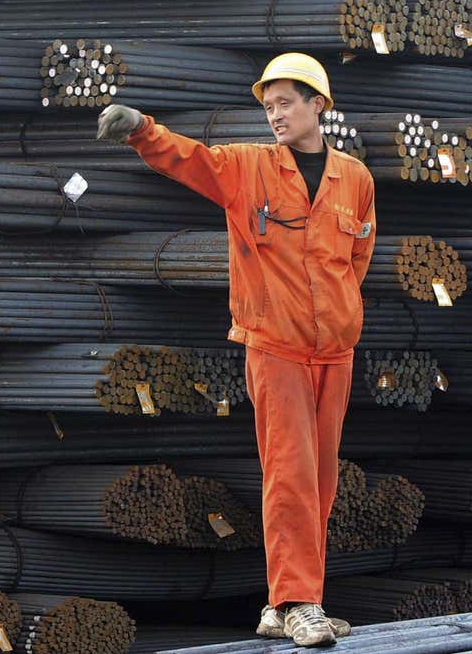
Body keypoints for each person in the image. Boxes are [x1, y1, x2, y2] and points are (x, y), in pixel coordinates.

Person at [97, 52, 375, 647]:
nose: (274, 115)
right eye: (268, 105)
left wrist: (342, 313)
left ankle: (284, 604)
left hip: (336, 352)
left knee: (322, 480)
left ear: (317, 105)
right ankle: (301, 601)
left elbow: (357, 259)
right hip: (275, 347)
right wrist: (143, 130)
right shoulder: (248, 168)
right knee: (292, 474)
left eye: (285, 104)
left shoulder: (355, 179)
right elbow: (191, 160)